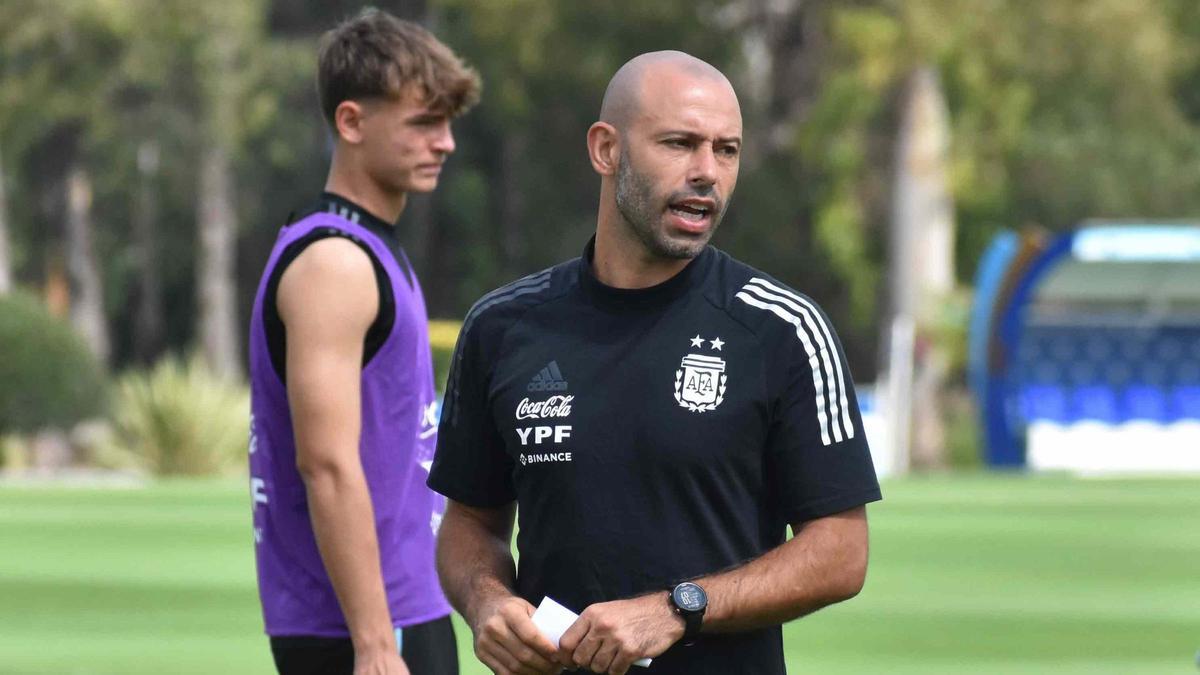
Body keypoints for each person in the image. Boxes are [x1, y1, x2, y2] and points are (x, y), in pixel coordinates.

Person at [428, 51, 881, 675]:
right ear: (606, 149)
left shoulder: (782, 330)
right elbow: (469, 524)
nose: (707, 173)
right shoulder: (503, 327)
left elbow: (841, 551)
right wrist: (486, 602)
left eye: (726, 150)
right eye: (679, 143)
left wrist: (677, 609)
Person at [247, 9, 479, 675]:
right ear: (350, 122)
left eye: (448, 122)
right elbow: (326, 463)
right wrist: (376, 643)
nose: (446, 143)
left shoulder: (371, 248)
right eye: (423, 123)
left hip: (406, 604)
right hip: (363, 629)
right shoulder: (335, 265)